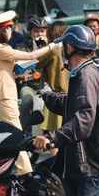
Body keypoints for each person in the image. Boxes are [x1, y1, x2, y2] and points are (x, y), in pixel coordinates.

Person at [33, 25, 99, 196]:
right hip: (80, 156)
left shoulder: (86, 76)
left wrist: (50, 138)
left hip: (92, 162)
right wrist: (48, 95)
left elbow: (83, 121)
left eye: (64, 46)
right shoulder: (80, 72)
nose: (62, 50)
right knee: (39, 175)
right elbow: (71, 104)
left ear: (70, 47)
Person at [0, 10, 62, 175]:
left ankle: (0, 168)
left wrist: (33, 59)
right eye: (9, 28)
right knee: (16, 134)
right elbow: (31, 54)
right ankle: (25, 172)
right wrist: (52, 46)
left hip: (1, 95)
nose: (11, 31)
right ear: (2, 30)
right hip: (4, 95)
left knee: (3, 135)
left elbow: (20, 65)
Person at [36, 20, 69, 157]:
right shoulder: (69, 47)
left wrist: (42, 47)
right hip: (69, 92)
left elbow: (38, 62)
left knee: (53, 134)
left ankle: (56, 163)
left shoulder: (53, 49)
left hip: (54, 93)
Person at [15, 16, 50, 130]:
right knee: (26, 102)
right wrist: (35, 51)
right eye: (36, 31)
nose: (39, 34)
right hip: (29, 85)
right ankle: (21, 132)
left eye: (42, 31)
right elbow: (20, 67)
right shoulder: (21, 47)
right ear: (30, 33)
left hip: (47, 85)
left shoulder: (51, 46)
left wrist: (46, 47)